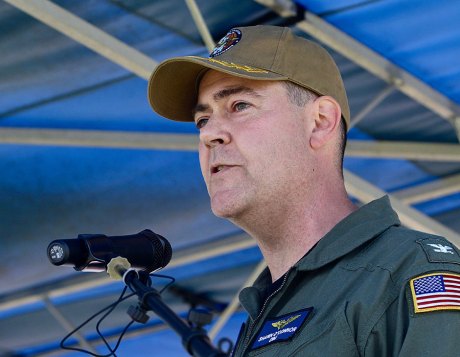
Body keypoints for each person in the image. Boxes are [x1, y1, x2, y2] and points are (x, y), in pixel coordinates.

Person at [147, 25, 460, 356]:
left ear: (321, 121)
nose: (209, 135)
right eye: (202, 121)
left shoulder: (407, 272)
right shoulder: (264, 310)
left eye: (239, 105)